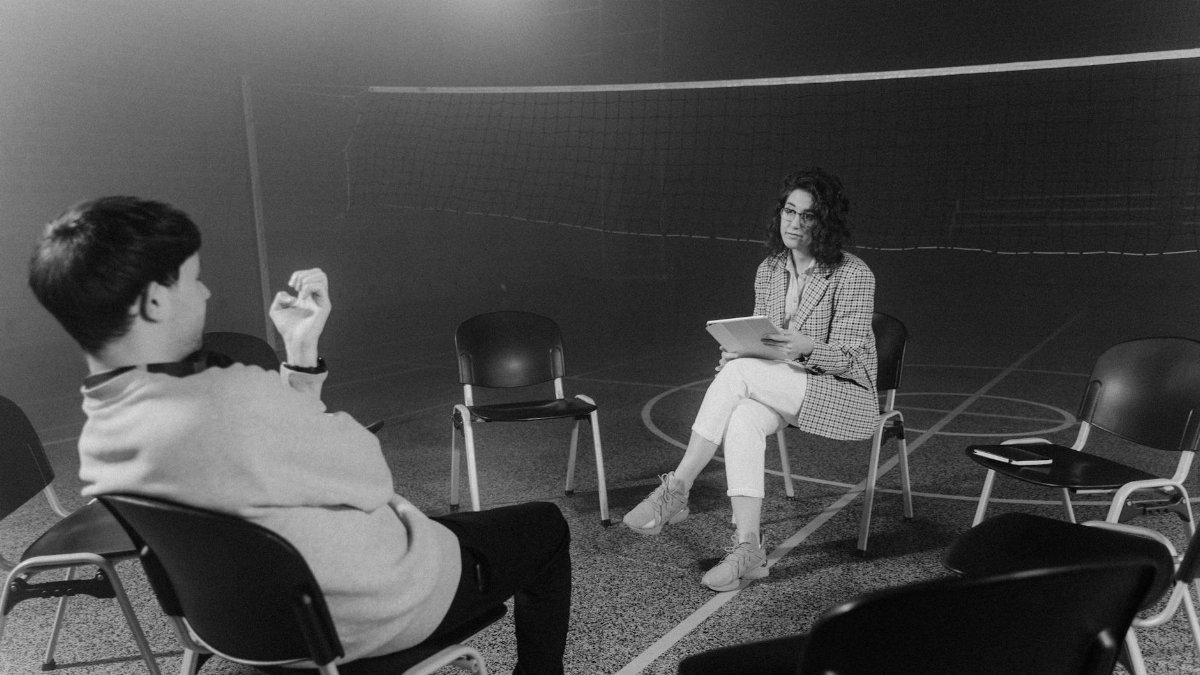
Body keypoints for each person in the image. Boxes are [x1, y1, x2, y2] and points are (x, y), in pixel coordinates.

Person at [27, 196, 571, 674]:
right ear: (154, 302)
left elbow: (268, 455)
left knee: (466, 525)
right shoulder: (231, 400)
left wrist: (300, 351)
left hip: (247, 629)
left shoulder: (101, 436)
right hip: (368, 615)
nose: (207, 292)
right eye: (194, 279)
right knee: (543, 527)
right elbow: (370, 480)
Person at [623, 167, 878, 592]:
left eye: (808, 215)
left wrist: (806, 346)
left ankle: (678, 488)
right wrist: (743, 350)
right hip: (783, 382)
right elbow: (766, 339)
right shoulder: (770, 269)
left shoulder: (853, 274)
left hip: (843, 393)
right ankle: (749, 548)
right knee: (741, 413)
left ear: (826, 221)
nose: (794, 223)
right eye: (789, 211)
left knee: (740, 375)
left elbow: (853, 360)